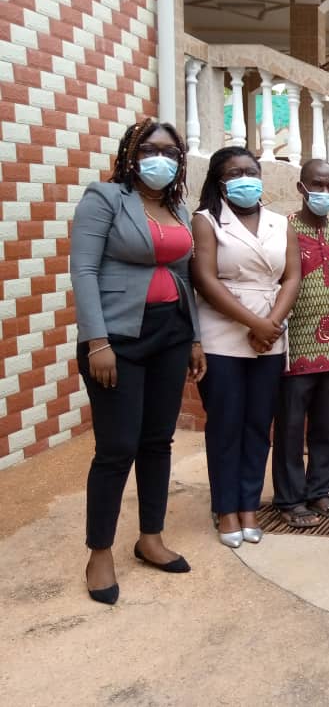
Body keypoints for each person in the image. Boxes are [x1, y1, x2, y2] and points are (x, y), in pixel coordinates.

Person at [71, 119, 205, 604]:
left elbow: (184, 276)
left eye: (170, 152)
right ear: (130, 153)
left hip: (171, 334)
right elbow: (84, 270)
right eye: (150, 149)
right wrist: (97, 342)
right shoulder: (104, 198)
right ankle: (99, 551)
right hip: (118, 337)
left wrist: (193, 338)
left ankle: (150, 537)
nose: (160, 159)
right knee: (117, 447)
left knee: (157, 441)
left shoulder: (177, 208)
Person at [191, 146, 302, 549]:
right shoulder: (206, 220)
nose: (245, 179)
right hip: (223, 333)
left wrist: (271, 324)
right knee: (225, 424)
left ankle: (249, 505)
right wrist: (254, 323)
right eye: (235, 173)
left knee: (258, 424)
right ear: (220, 182)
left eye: (251, 172)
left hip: (270, 334)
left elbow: (292, 277)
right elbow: (204, 278)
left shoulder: (280, 223)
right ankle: (226, 509)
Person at [270, 160, 329, 529]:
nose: (326, 193)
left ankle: (320, 491)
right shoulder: (282, 230)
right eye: (318, 185)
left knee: (328, 426)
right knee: (290, 427)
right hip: (293, 346)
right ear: (301, 187)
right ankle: (289, 499)